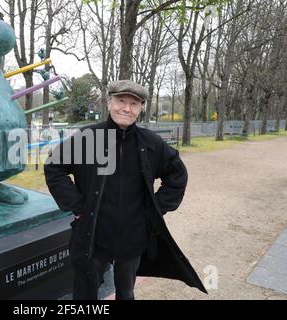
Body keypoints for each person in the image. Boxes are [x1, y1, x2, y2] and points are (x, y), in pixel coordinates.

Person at [44, 80, 207, 300]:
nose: (127, 108)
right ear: (109, 103)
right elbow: (54, 166)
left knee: (126, 292)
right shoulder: (86, 138)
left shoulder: (151, 143)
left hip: (133, 238)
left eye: (134, 104)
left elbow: (177, 174)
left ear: (141, 109)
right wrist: (78, 206)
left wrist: (155, 209)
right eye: (121, 101)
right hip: (93, 236)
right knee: (85, 293)